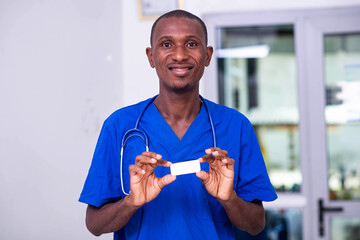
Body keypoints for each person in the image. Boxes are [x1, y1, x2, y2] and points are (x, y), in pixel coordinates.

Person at [79, 9, 277, 240]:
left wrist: (228, 198)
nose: (180, 55)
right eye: (166, 44)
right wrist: (131, 202)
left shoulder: (236, 126)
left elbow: (256, 224)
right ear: (151, 56)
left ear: (207, 55)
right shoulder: (120, 126)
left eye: (192, 44)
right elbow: (94, 225)